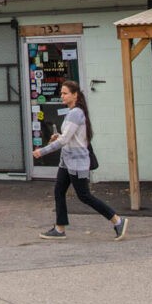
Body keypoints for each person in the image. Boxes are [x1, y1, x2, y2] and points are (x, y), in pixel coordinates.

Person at [32, 80, 128, 241]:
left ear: (75, 95)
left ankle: (118, 221)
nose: (62, 96)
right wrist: (59, 136)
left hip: (76, 162)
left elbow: (64, 141)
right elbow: (69, 137)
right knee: (59, 191)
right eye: (61, 93)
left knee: (84, 195)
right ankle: (59, 228)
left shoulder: (75, 113)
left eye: (65, 93)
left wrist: (42, 151)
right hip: (67, 161)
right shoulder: (73, 112)